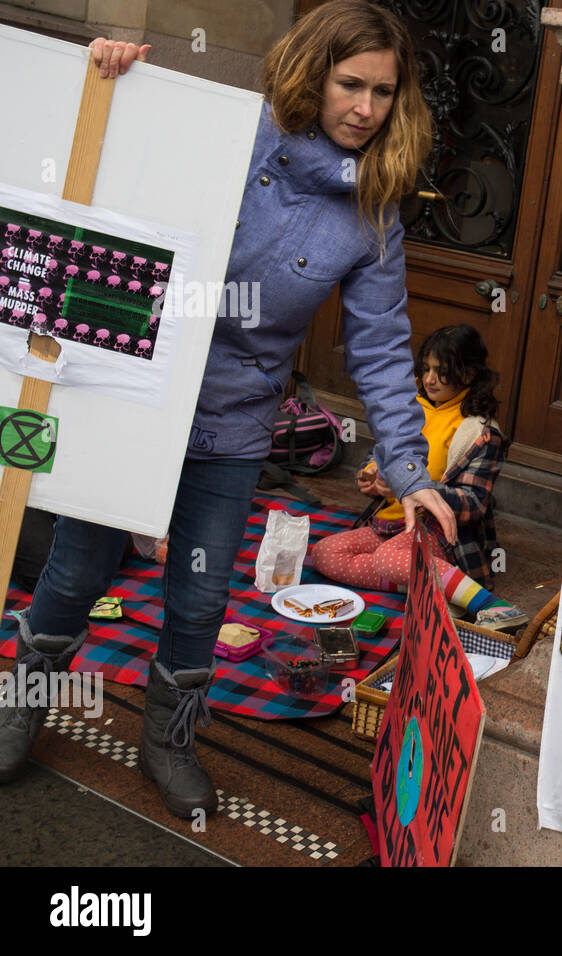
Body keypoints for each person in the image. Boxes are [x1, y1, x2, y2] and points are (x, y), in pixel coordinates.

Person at [0, 1, 457, 819]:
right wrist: (107, 78)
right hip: (137, 394)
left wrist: (411, 470)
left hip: (234, 423)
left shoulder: (373, 211)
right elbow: (109, 161)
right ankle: (22, 704)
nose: (366, 108)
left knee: (202, 594)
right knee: (75, 570)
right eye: (350, 84)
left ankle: (168, 741)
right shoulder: (230, 135)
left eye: (384, 92)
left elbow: (383, 349)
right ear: (313, 76)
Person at [312, 324, 528, 631]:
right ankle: (439, 588)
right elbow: (383, 453)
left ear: (468, 374)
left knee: (388, 557)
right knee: (326, 553)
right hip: (391, 523)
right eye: (425, 369)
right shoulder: (409, 406)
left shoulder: (480, 432)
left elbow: (474, 503)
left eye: (441, 372)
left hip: (440, 532)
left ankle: (493, 607)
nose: (429, 379)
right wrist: (373, 474)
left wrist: (420, 488)